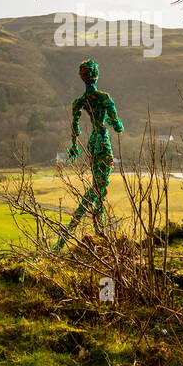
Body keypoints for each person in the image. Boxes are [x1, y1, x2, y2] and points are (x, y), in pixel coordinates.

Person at [54, 58, 124, 250]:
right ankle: (67, 234)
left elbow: (75, 129)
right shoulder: (104, 97)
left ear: (82, 77)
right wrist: (113, 123)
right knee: (98, 187)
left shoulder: (80, 102)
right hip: (102, 140)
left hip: (92, 143)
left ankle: (98, 227)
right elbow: (118, 126)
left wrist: (75, 146)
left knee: (99, 187)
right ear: (96, 75)